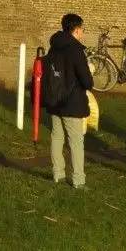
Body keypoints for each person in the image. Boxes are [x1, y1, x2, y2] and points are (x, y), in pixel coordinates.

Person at [44, 12, 94, 190]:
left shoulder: (54, 46)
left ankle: (58, 174)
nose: (82, 33)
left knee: (57, 137)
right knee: (75, 141)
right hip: (72, 100)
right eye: (82, 29)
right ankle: (78, 180)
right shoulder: (75, 50)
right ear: (77, 29)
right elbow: (86, 80)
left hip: (54, 98)